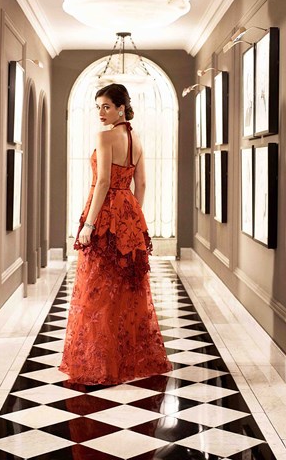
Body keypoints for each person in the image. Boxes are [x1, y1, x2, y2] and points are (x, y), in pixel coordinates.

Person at [59, 83, 171, 385]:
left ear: (121, 108)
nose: (101, 112)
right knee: (126, 288)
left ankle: (102, 363)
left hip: (106, 213)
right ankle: (128, 358)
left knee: (97, 286)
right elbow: (142, 184)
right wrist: (133, 216)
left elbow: (104, 181)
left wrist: (90, 225)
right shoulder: (136, 139)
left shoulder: (105, 136)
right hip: (128, 213)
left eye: (106, 106)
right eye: (98, 107)